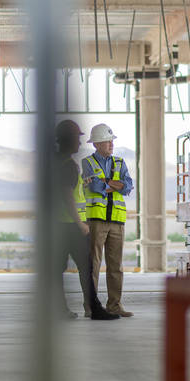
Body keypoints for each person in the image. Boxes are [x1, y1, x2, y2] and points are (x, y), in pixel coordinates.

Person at [54, 120, 119, 321]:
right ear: (68, 140)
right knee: (86, 267)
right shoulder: (69, 166)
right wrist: (80, 223)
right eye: (76, 138)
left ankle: (59, 309)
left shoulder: (54, 162)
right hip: (71, 225)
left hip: (56, 225)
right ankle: (94, 308)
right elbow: (68, 196)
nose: (79, 143)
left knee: (57, 269)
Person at [81, 123, 135, 317]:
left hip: (117, 220)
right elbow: (94, 187)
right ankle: (91, 307)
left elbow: (128, 186)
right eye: (107, 140)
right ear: (96, 144)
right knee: (93, 265)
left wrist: (105, 183)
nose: (111, 144)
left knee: (116, 266)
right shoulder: (87, 163)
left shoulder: (120, 163)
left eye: (112, 140)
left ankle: (115, 305)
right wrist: (114, 185)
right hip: (96, 220)